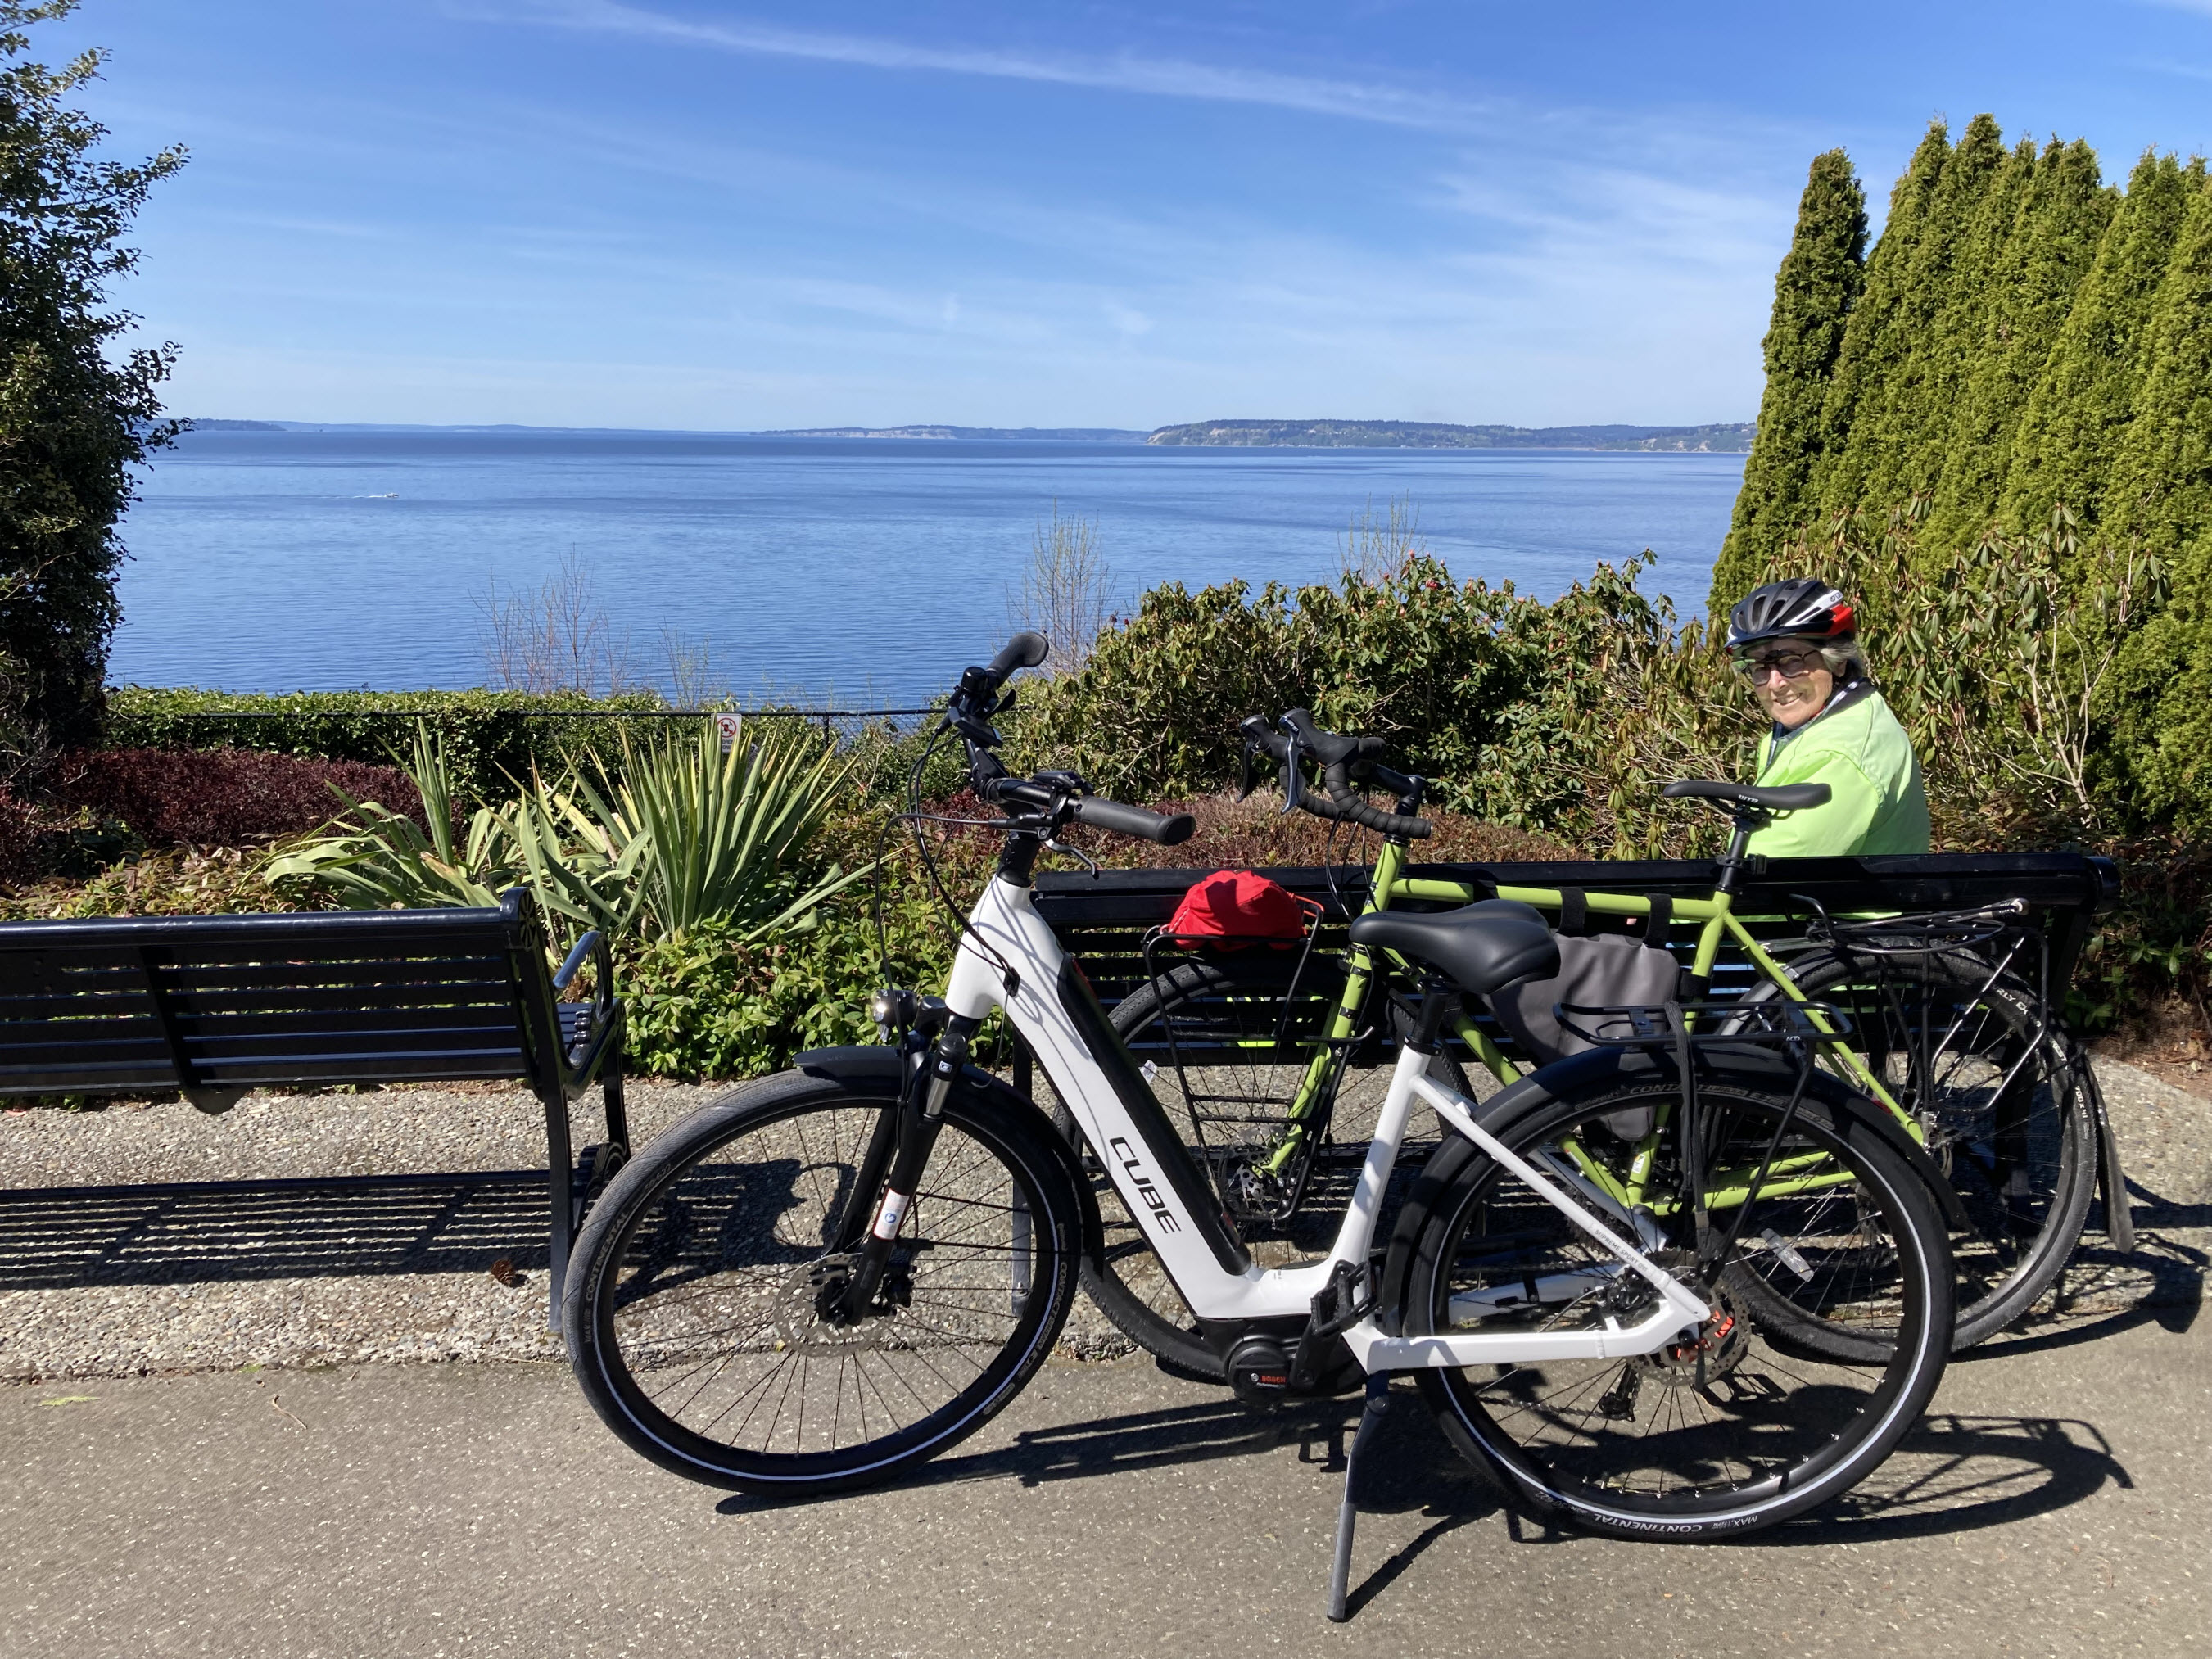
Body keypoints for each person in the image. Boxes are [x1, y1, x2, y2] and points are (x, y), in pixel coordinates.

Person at [1726, 578, 1930, 857]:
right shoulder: (1843, 714)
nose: (1775, 683)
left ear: (1838, 662)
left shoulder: (1838, 754)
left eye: (1791, 661)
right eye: (1759, 667)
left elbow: (1770, 867)